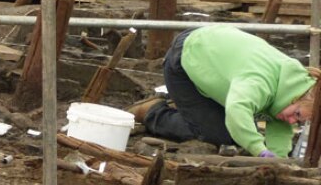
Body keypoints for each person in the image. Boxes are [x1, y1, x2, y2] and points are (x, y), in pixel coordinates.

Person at [131, 25, 320, 158]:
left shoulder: (289, 87)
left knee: (245, 131)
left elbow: (280, 129)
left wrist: (278, 161)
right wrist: (259, 150)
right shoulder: (259, 81)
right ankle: (152, 111)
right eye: (297, 114)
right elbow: (237, 110)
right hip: (184, 59)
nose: (293, 121)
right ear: (296, 97)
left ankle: (189, 109)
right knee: (219, 134)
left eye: (299, 121)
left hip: (214, 57)